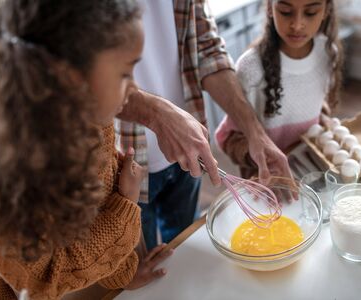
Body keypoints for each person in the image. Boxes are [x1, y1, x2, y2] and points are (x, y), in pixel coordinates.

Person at [0, 1, 184, 298]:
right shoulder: (4, 181)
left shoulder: (91, 123)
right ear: (70, 75)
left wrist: (125, 273)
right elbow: (48, 276)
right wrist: (126, 200)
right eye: (124, 74)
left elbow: (97, 219)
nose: (133, 90)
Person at [115, 0, 295, 250]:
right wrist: (158, 114)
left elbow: (208, 50)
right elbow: (79, 77)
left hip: (191, 155)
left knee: (183, 247)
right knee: (138, 267)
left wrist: (255, 133)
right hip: (124, 166)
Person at [215, 0, 343, 178]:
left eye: (311, 12)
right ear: (269, 8)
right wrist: (261, 159)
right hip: (268, 182)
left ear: (326, 11)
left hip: (311, 172)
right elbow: (230, 139)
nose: (297, 25)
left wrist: (324, 120)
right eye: (285, 12)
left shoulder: (328, 53)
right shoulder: (251, 68)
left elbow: (313, 104)